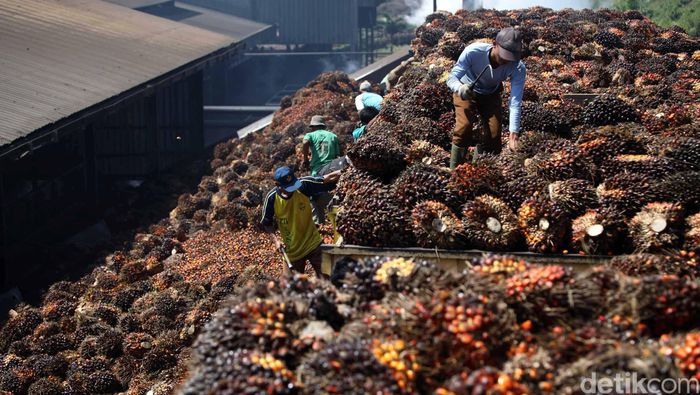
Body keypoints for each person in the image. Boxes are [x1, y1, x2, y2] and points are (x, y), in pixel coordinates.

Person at [446, 27, 526, 170]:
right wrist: (460, 88)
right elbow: (452, 78)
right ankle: (454, 171)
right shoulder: (474, 52)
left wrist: (514, 133)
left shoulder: (518, 68)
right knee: (464, 127)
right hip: (466, 89)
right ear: (495, 44)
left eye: (511, 58)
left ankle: (480, 170)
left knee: (494, 136)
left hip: (491, 93)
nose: (506, 62)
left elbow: (515, 102)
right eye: (504, 56)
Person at [261, 166, 340, 277]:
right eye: (289, 187)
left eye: (294, 184)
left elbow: (325, 179)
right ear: (277, 185)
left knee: (330, 277)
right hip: (292, 251)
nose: (293, 189)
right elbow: (266, 223)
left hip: (313, 243)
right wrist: (276, 240)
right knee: (291, 289)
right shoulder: (272, 198)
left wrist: (345, 171)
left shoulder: (302, 185)